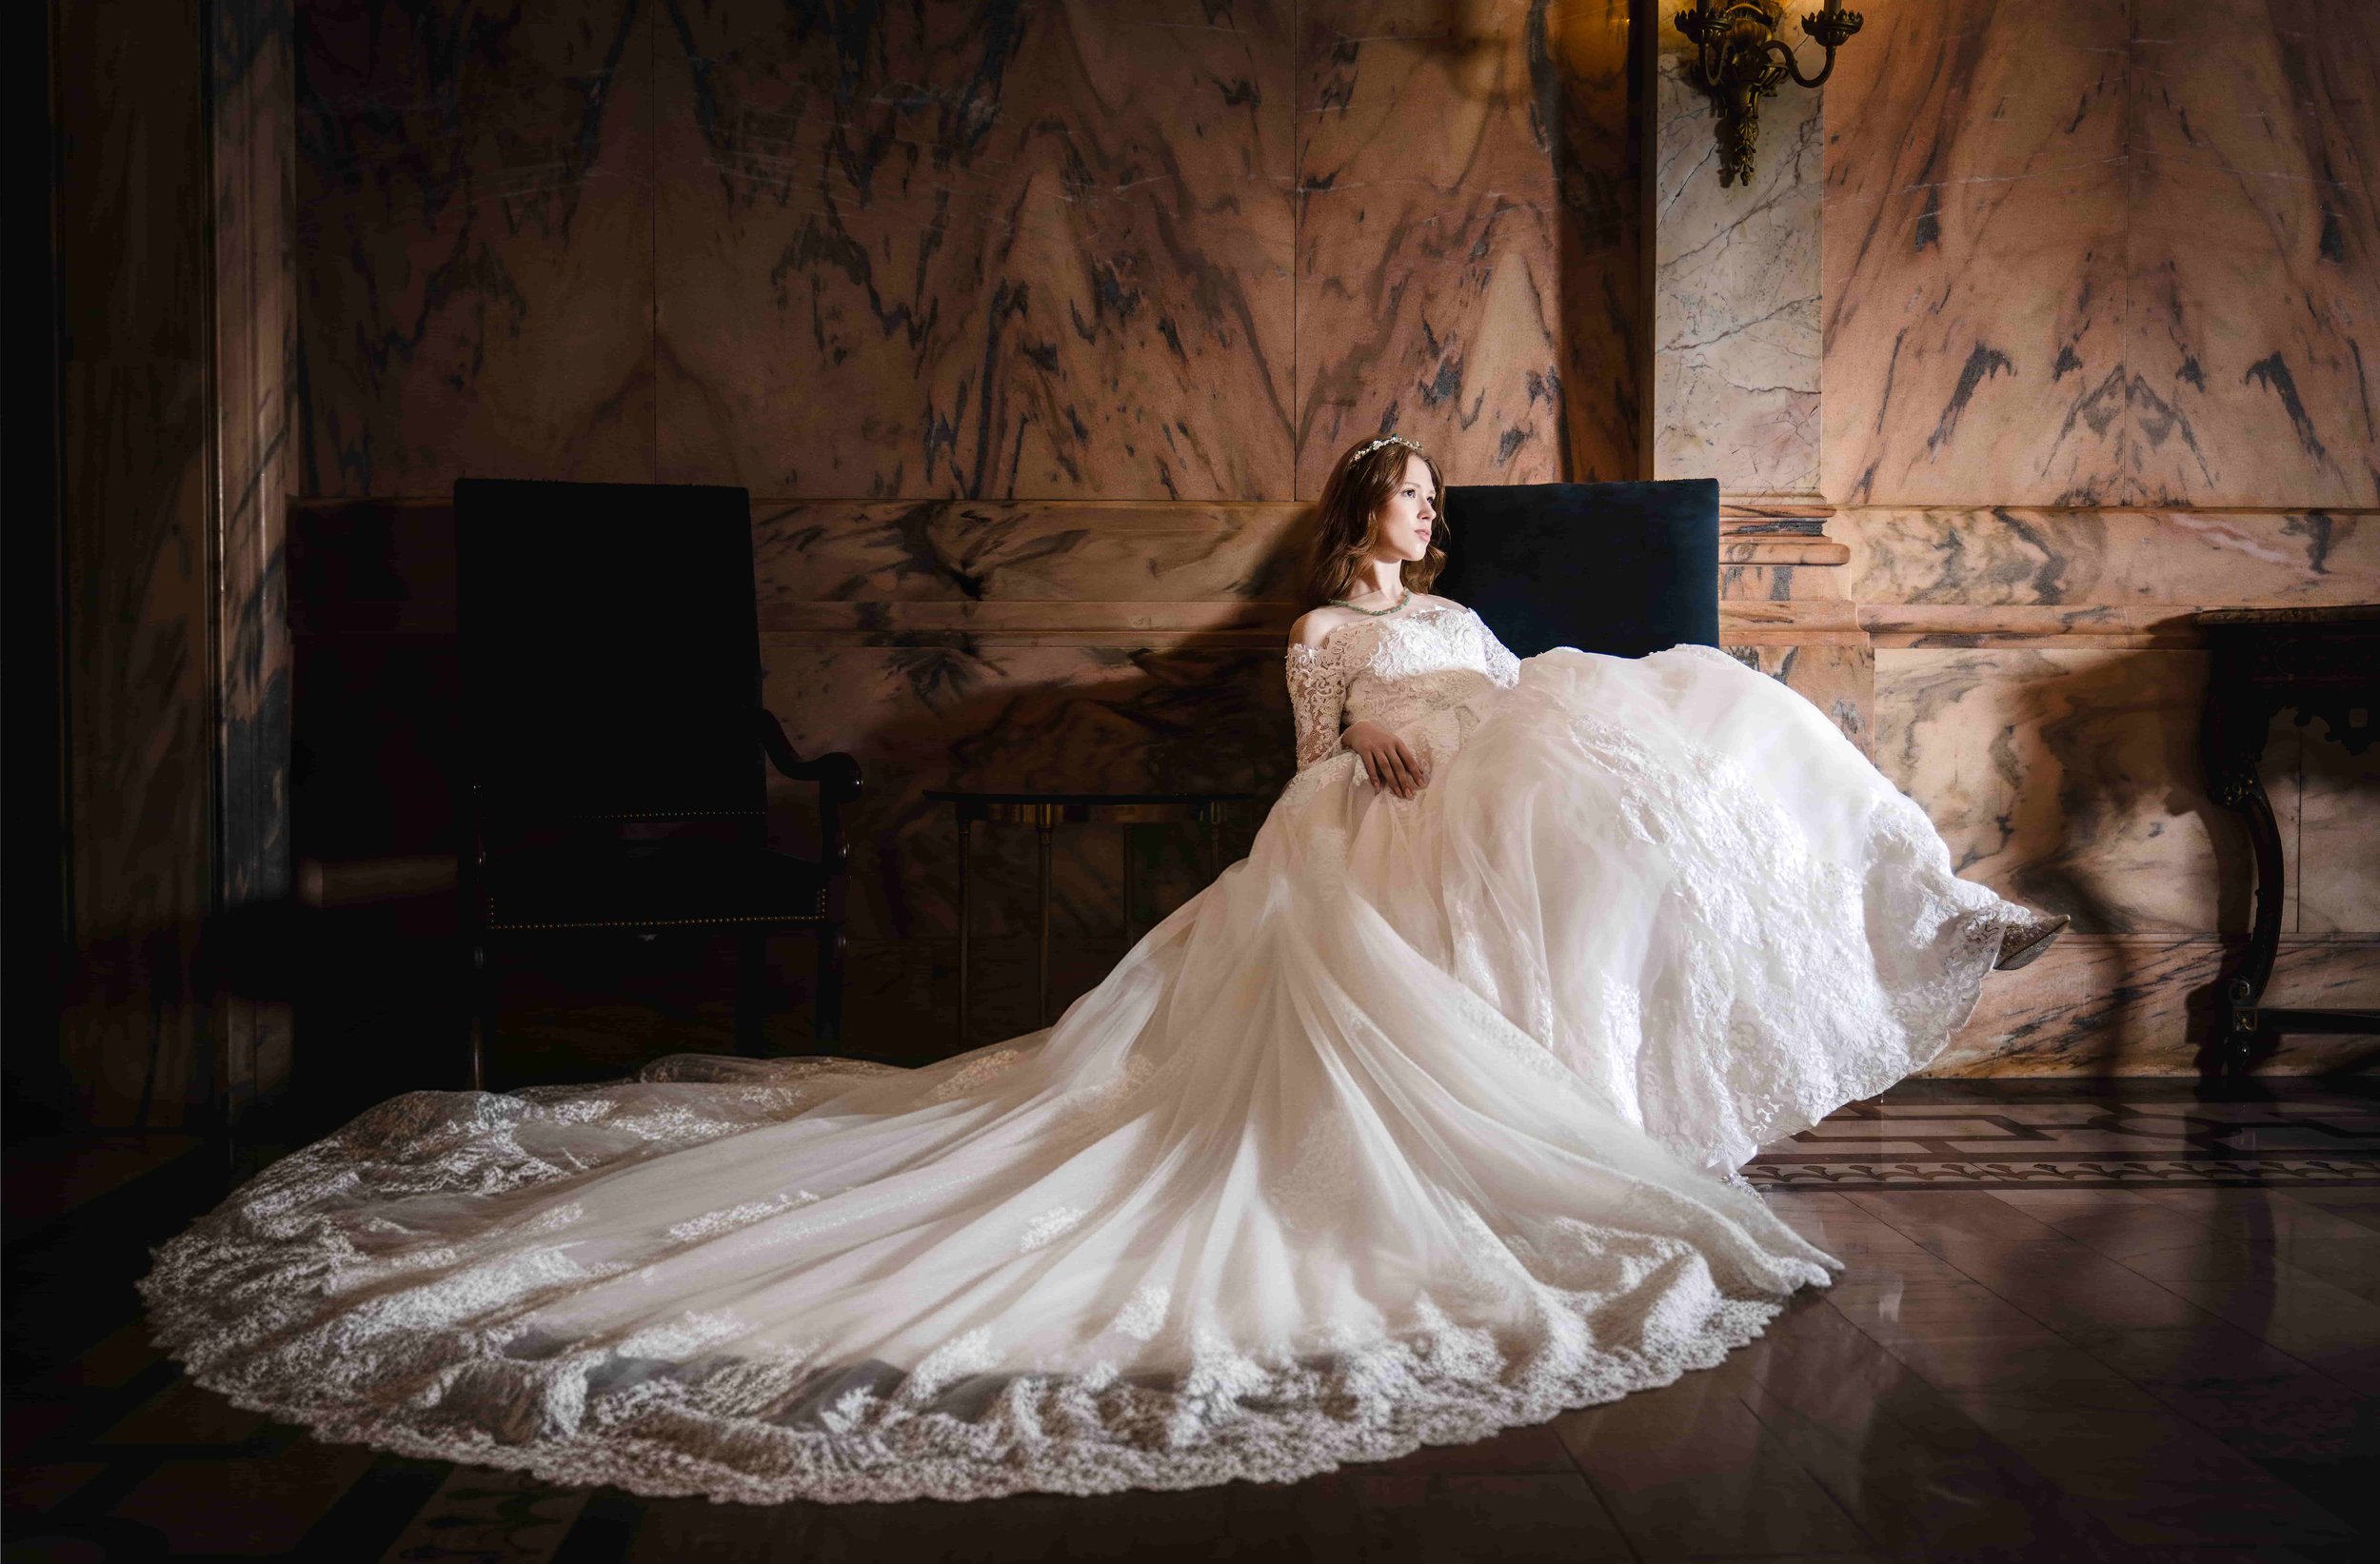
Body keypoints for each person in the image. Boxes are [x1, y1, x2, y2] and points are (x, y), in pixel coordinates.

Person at [141, 433, 2066, 1506]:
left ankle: (1903, 900)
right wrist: (1372, 739)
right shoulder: (1322, 630)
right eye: (1406, 495)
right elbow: (1312, 752)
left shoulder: (1475, 617)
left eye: (1431, 500)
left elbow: (1503, 703)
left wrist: (1476, 730)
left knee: (1685, 722)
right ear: (1360, 514)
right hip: (1371, 821)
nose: (1427, 515)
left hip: (1504, 799)